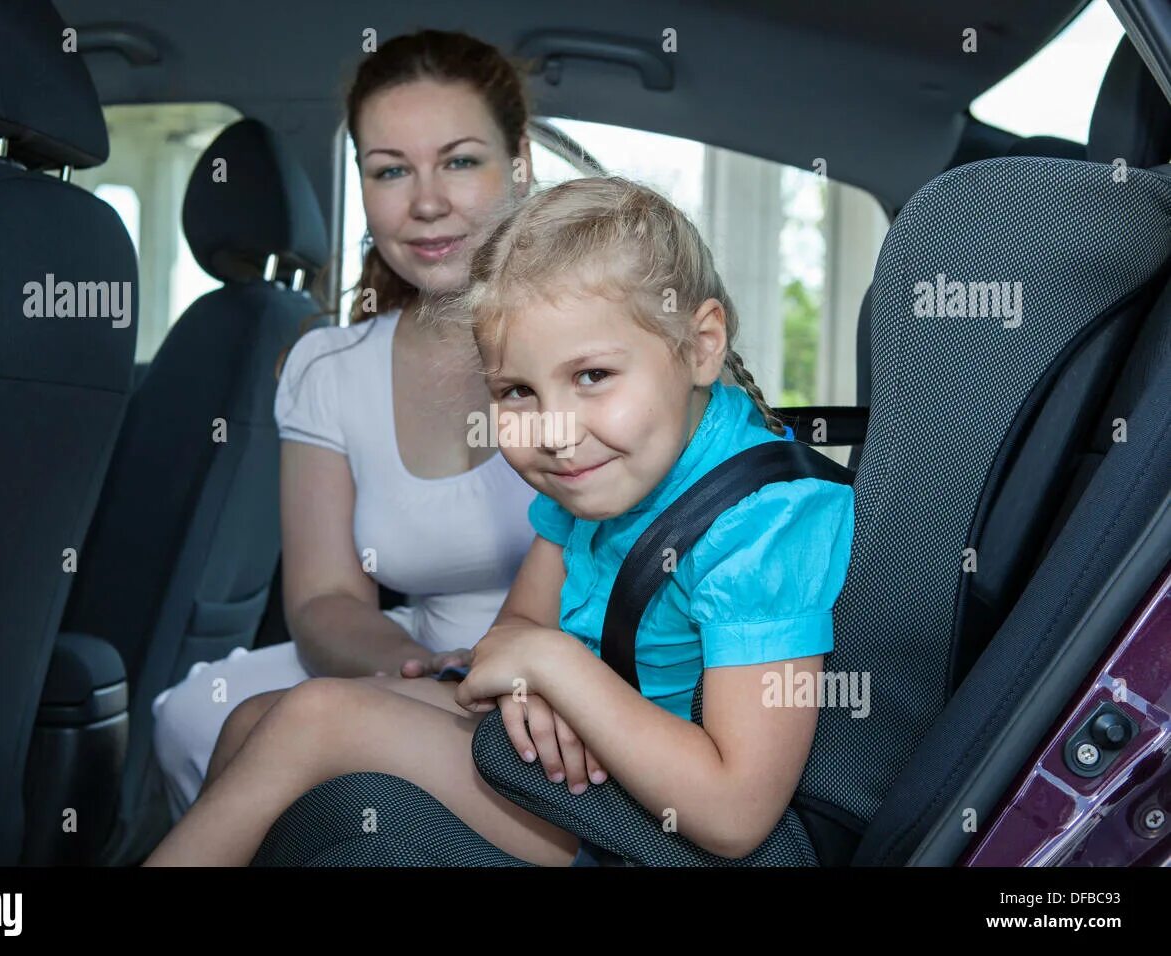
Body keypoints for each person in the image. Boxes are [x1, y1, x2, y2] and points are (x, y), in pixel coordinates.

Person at [143, 175, 856, 867]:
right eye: (516, 390)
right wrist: (528, 674)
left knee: (314, 720)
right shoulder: (595, 478)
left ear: (700, 346)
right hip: (582, 770)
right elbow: (510, 632)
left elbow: (735, 814)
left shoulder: (763, 527)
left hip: (653, 831)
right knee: (249, 720)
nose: (552, 431)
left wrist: (555, 668)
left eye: (592, 377)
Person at [149, 29, 543, 819]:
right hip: (417, 653)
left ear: (520, 165)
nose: (426, 201)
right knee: (193, 714)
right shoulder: (329, 366)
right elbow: (327, 598)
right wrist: (412, 665)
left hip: (572, 672)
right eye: (391, 170)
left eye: (460, 161)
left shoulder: (590, 343)